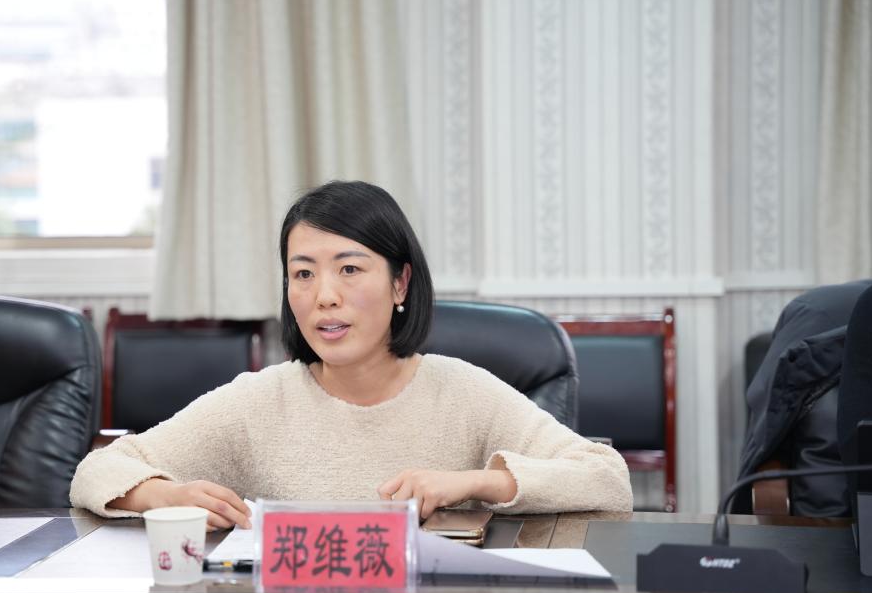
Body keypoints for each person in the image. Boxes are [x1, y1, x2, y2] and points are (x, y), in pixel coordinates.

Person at [70, 181, 632, 528]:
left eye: (349, 269)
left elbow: (607, 479)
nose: (324, 296)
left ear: (400, 283)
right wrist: (167, 495)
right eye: (303, 274)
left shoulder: (463, 391)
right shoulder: (259, 401)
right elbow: (98, 471)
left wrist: (473, 482)